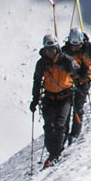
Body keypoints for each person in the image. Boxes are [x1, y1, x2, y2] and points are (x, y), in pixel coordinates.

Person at [30, 34, 79, 167]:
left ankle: (55, 154)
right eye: (48, 49)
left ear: (57, 48)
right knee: (48, 126)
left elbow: (79, 72)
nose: (50, 52)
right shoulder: (41, 64)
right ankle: (52, 152)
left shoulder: (66, 60)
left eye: (52, 48)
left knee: (59, 124)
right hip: (49, 98)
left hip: (66, 96)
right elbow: (37, 81)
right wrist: (35, 99)